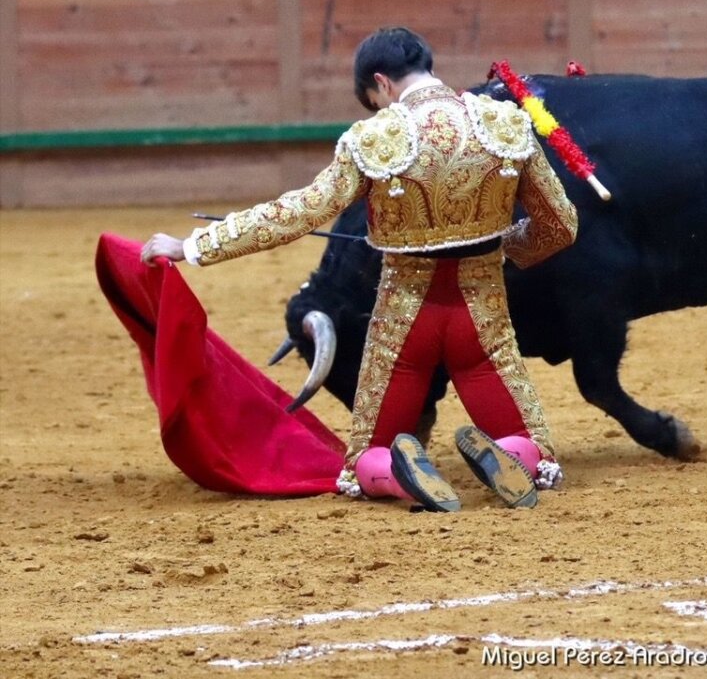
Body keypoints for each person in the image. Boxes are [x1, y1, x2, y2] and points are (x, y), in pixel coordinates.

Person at [142, 27, 578, 511]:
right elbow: (561, 223)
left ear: (381, 83)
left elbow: (298, 213)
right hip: (482, 314)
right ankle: (508, 455)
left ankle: (395, 474)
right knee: (537, 453)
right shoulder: (504, 124)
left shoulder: (375, 138)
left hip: (404, 322)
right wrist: (508, 249)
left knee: (362, 463)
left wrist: (195, 245)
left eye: (375, 100)